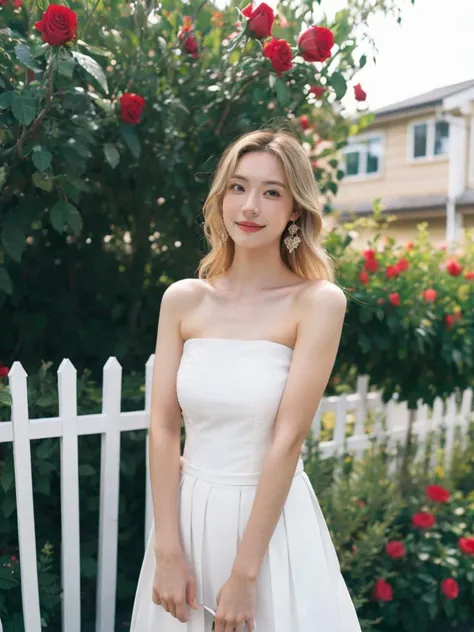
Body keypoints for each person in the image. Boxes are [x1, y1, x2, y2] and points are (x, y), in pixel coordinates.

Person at [130, 129, 361, 632]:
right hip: (187, 520)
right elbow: (165, 428)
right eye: (238, 187)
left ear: (295, 209)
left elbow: (288, 440)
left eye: (272, 192)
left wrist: (245, 573)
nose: (250, 206)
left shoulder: (318, 303)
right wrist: (167, 547)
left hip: (270, 529)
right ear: (221, 196)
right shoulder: (184, 300)